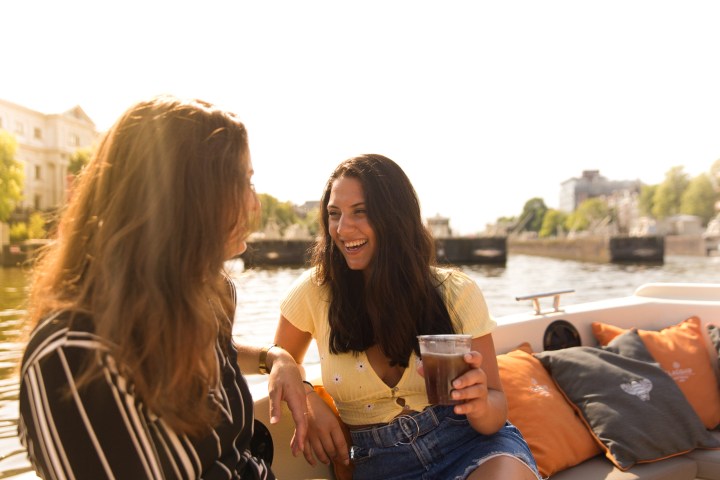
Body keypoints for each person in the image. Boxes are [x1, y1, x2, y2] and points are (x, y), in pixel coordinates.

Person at [17, 95, 309, 479]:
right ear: (182, 198)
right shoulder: (72, 359)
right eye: (240, 182)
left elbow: (217, 352)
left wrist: (274, 358)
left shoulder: (204, 297)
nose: (254, 205)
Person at [274, 154, 541, 480]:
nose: (343, 229)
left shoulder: (456, 292)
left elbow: (495, 411)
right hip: (380, 466)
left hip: (469, 445)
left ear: (395, 216)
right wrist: (307, 397)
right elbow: (279, 361)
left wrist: (481, 401)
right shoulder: (313, 292)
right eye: (334, 214)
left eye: (361, 211)